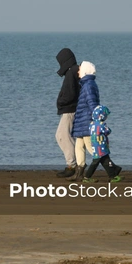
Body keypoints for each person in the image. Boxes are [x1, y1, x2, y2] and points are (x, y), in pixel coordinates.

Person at [67, 61, 99, 181]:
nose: (78, 71)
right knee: (79, 147)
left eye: (80, 69)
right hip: (82, 122)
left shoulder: (88, 85)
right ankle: (79, 173)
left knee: (93, 149)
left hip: (86, 122)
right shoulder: (86, 84)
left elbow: (92, 104)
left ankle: (111, 169)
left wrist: (95, 118)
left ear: (85, 71)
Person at [55, 48, 80, 178]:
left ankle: (72, 165)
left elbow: (70, 93)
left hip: (70, 110)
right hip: (71, 109)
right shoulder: (74, 71)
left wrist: (60, 102)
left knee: (64, 136)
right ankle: (74, 164)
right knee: (62, 136)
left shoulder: (71, 73)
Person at [83, 105, 122, 183]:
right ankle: (87, 177)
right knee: (96, 162)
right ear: (102, 116)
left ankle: (113, 175)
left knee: (106, 160)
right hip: (101, 146)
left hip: (95, 145)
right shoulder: (101, 124)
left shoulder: (91, 124)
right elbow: (108, 131)